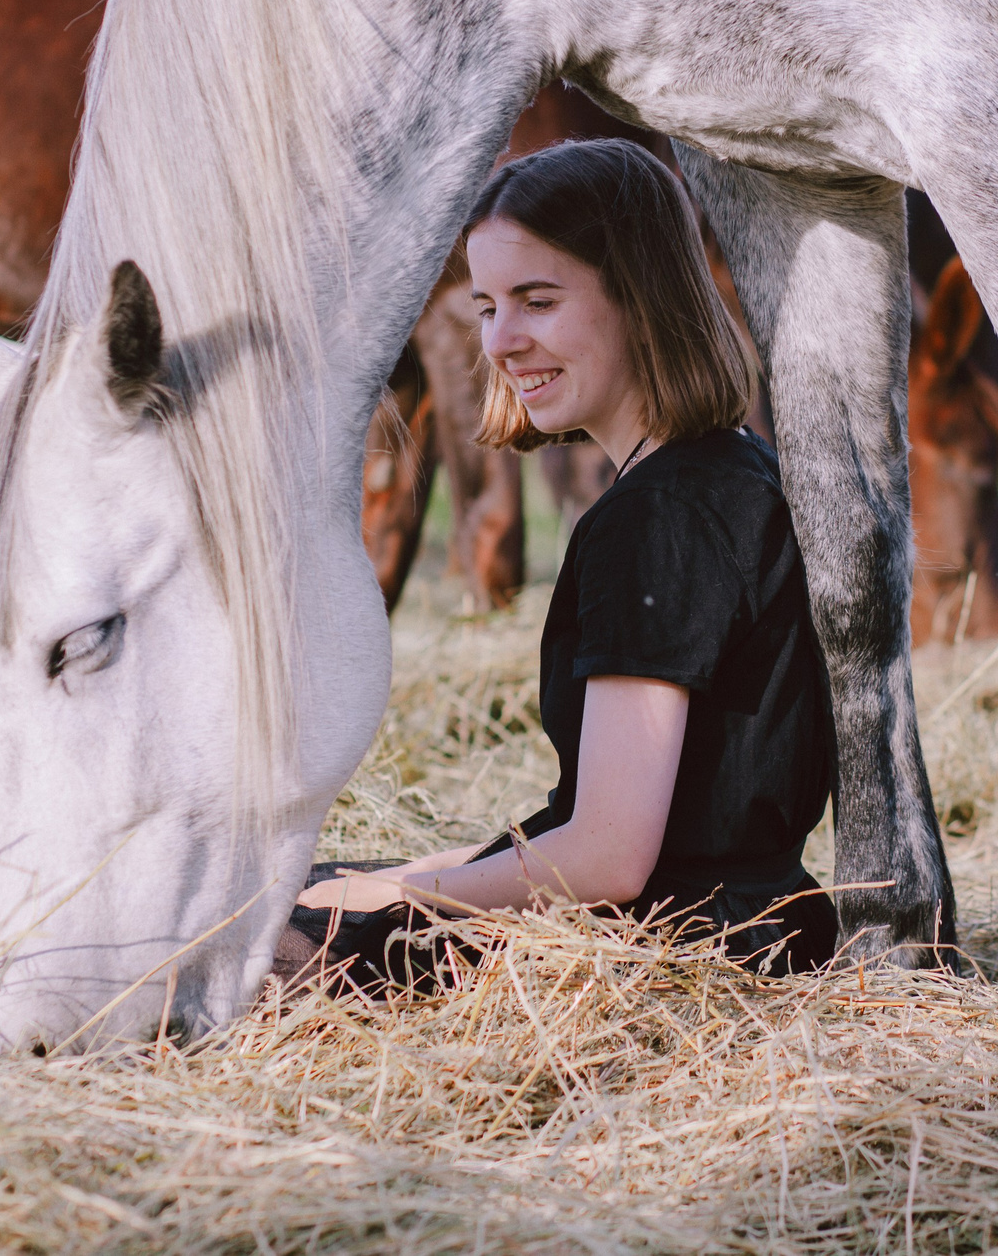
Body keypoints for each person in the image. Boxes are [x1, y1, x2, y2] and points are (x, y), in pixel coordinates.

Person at [281, 137, 840, 988]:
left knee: (242, 945)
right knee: (310, 888)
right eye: (484, 306)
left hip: (661, 951)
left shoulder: (657, 517)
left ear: (641, 300)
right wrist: (393, 877)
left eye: (537, 301)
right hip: (735, 921)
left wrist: (399, 897)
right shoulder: (737, 468)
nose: (502, 341)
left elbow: (611, 855)